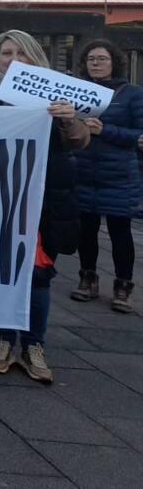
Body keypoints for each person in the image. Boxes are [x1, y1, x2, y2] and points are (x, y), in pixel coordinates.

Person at [0, 30, 87, 383]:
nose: (13, 59)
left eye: (22, 53)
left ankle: (34, 345)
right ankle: (3, 340)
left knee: (39, 274)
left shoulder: (58, 89)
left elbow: (79, 141)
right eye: (6, 53)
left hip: (47, 195)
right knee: (2, 269)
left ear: (36, 58)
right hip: (1, 193)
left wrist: (67, 118)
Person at [69, 39, 143, 313]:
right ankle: (87, 278)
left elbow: (139, 135)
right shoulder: (77, 92)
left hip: (118, 176)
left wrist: (105, 131)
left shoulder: (132, 93)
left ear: (114, 61)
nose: (96, 64)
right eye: (91, 60)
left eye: (101, 59)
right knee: (86, 232)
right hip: (85, 171)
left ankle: (123, 286)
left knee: (120, 233)